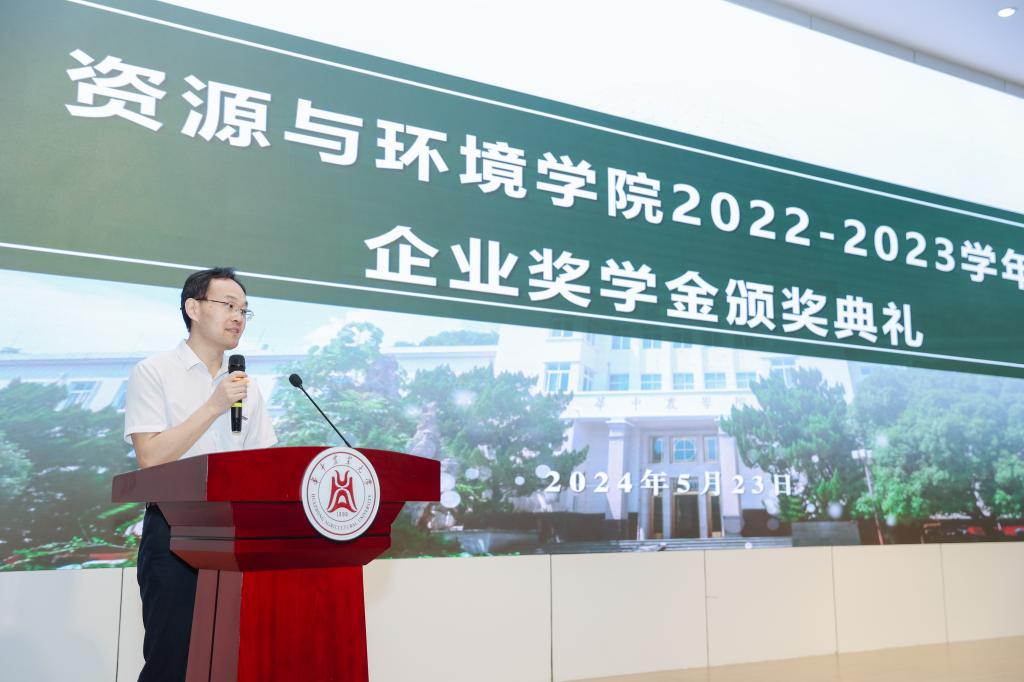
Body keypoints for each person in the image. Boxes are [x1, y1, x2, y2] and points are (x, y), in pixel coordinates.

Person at [124, 267, 277, 682]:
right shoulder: (154, 372)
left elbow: (263, 465)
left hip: (235, 535)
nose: (238, 317)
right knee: (172, 661)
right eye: (229, 305)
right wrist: (213, 406)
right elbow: (151, 458)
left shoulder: (247, 387)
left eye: (244, 310)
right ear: (193, 308)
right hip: (175, 530)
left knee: (235, 660)